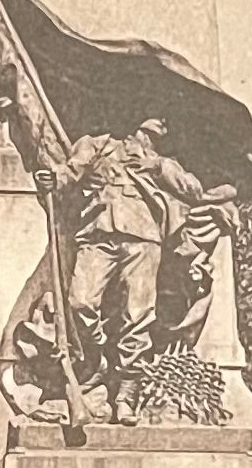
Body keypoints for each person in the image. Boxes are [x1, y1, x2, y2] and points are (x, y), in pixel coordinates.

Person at [35, 118, 236, 423]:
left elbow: (193, 190)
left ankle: (126, 393)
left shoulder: (162, 162)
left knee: (138, 315)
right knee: (80, 303)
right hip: (98, 233)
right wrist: (53, 178)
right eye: (154, 120)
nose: (161, 125)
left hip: (144, 240)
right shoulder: (99, 144)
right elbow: (70, 170)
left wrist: (156, 166)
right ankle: (97, 361)